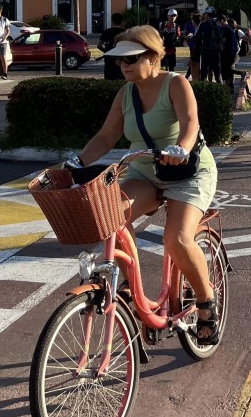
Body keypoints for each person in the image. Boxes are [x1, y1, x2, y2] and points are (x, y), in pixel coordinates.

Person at [72, 25, 221, 345]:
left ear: (154, 57)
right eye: (120, 59)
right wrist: (78, 162)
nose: (124, 65)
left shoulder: (176, 84)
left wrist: (180, 148)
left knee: (177, 238)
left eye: (133, 58)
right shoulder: (125, 93)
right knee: (112, 216)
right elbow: (107, 136)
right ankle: (129, 287)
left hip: (188, 171)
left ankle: (207, 303)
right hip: (143, 172)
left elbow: (190, 122)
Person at [195, 7, 224, 83]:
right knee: (218, 74)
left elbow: (197, 37)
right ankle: (221, 90)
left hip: (206, 51)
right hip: (217, 52)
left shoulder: (203, 24)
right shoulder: (219, 25)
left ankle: (203, 91)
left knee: (204, 73)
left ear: (207, 15)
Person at [98, 13, 126, 80]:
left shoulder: (106, 32)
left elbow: (99, 45)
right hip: (120, 59)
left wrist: (106, 52)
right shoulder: (124, 33)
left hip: (108, 59)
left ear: (112, 21)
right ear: (122, 21)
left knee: (108, 78)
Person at [219, 15, 238, 92]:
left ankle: (227, 88)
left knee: (226, 72)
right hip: (230, 53)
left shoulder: (225, 29)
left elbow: (223, 41)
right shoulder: (228, 29)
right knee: (228, 71)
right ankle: (229, 87)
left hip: (227, 53)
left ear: (223, 20)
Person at [183, 13, 201, 81]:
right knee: (194, 63)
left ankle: (189, 77)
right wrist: (187, 37)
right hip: (192, 45)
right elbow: (184, 34)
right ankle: (189, 77)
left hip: (197, 48)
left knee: (194, 63)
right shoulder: (188, 24)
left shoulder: (200, 27)